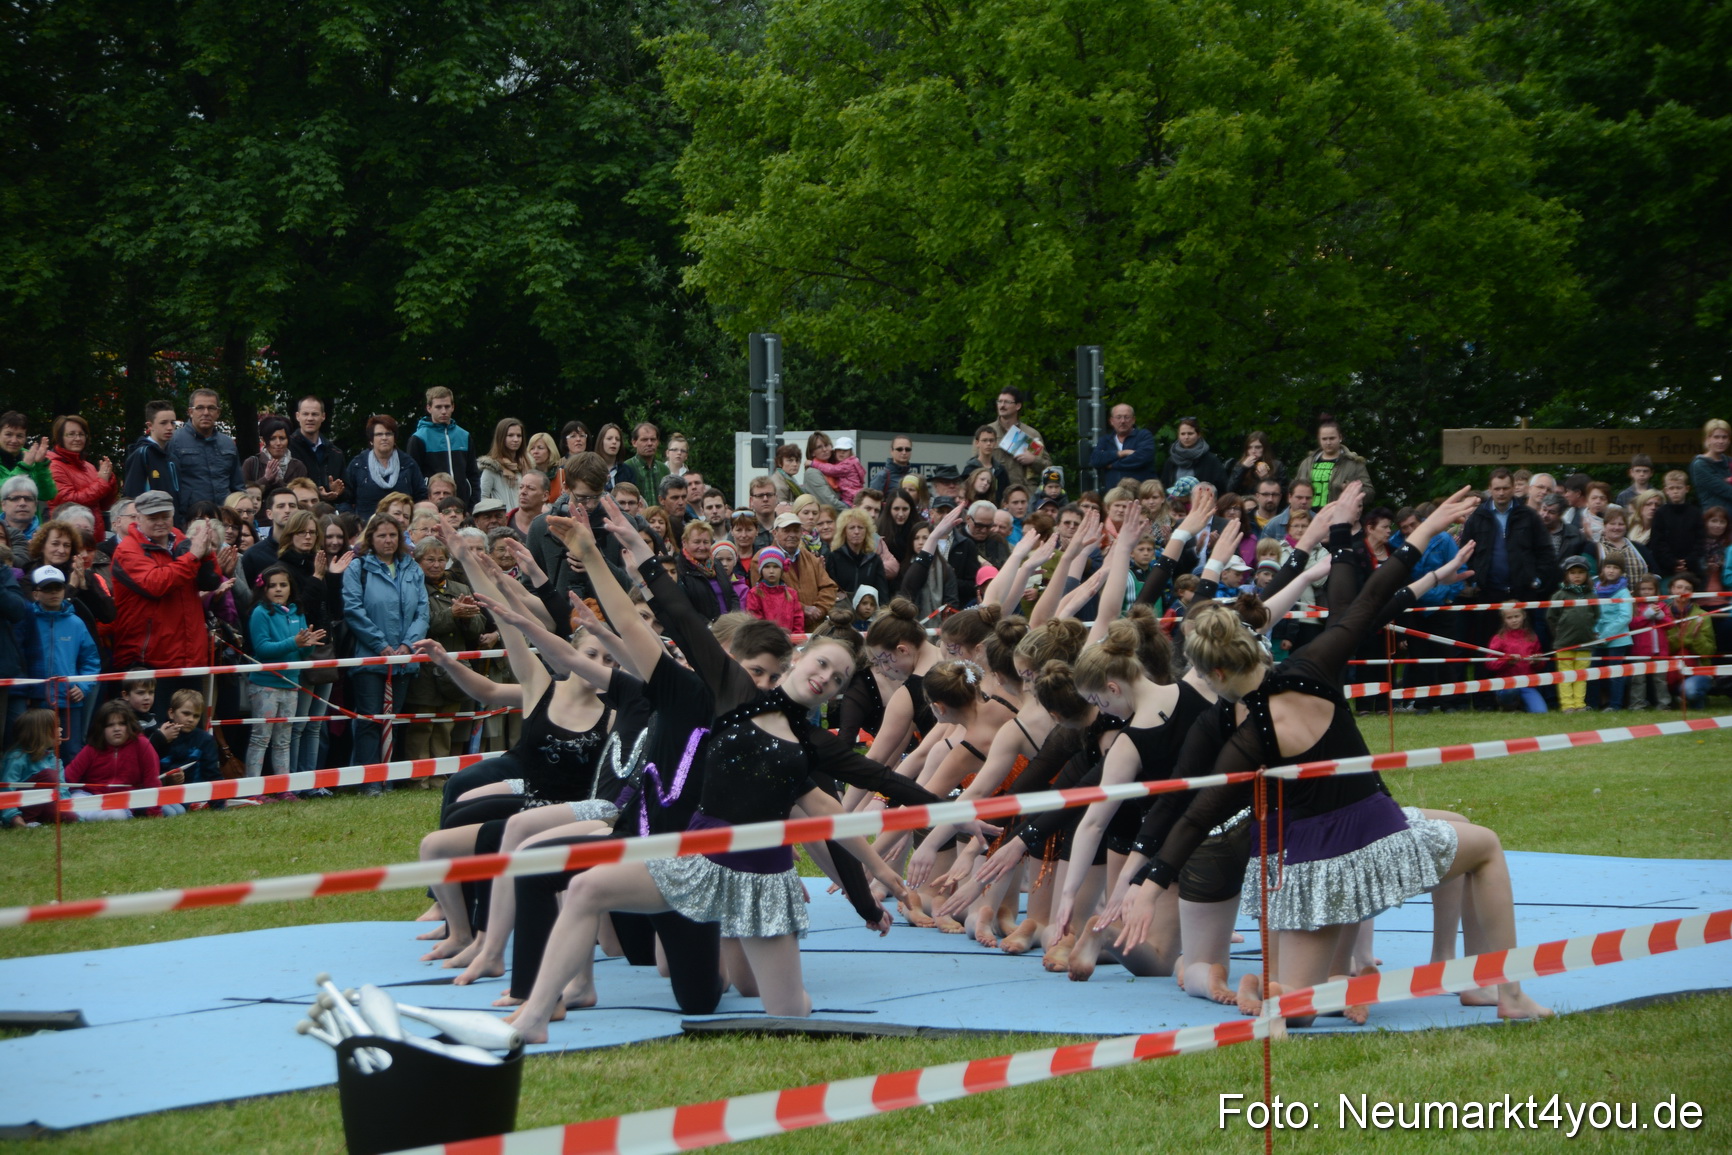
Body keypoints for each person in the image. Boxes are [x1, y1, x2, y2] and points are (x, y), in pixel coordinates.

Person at [1118, 484, 1549, 1023]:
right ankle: (1506, 991)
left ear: (1218, 672)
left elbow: (1198, 811)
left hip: (1305, 872)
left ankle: (1276, 989)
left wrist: (1149, 883)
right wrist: (1424, 526)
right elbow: (1367, 600)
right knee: (1484, 846)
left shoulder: (1246, 738)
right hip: (1373, 841)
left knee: (1298, 1009)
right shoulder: (1314, 666)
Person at [109, 491, 224, 716]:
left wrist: (207, 552)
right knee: (158, 734)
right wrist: (193, 555)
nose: (160, 522)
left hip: (190, 657)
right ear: (138, 519)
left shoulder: (181, 539)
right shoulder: (127, 551)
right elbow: (156, 584)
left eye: (165, 516)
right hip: (151, 661)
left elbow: (210, 581)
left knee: (190, 734)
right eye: (153, 518)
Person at [343, 512, 430, 787]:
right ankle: (369, 781)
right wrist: (381, 645)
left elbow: (422, 612)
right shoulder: (359, 569)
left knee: (392, 719)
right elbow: (353, 610)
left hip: (405, 658)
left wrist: (407, 645)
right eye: (381, 535)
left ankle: (389, 779)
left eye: (393, 535)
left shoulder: (413, 569)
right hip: (370, 659)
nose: (388, 540)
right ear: (370, 538)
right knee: (370, 719)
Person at [403, 537, 482, 758]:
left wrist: (467, 618)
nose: (436, 564)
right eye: (430, 559)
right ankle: (419, 778)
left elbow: (478, 627)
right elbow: (419, 624)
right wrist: (452, 614)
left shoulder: (460, 588)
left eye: (441, 559)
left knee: (446, 725)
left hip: (454, 667)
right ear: (417, 561)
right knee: (422, 725)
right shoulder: (411, 587)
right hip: (424, 670)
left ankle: (439, 775)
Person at [245, 564, 323, 786]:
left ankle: (283, 788)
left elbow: (300, 651)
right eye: (272, 586)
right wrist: (294, 642)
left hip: (291, 684)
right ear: (264, 589)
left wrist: (308, 645)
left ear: (291, 587)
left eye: (283, 584)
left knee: (283, 740)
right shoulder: (261, 612)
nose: (278, 589)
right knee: (260, 738)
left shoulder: (298, 612)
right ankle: (252, 789)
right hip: (265, 685)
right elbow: (262, 649)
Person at [15, 565, 100, 760]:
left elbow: (91, 660)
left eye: (58, 588)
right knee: (36, 751)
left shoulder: (76, 623)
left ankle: (67, 790)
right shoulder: (27, 621)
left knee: (71, 752)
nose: (54, 593)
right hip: (37, 701)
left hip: (69, 702)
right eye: (47, 588)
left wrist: (82, 686)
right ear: (36, 594)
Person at [62, 699, 164, 819]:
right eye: (110, 725)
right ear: (102, 729)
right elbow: (68, 778)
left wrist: (155, 813)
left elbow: (152, 781)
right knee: (74, 804)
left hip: (121, 802)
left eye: (122, 723)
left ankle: (83, 817)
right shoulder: (92, 748)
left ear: (130, 725)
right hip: (89, 796)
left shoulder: (142, 744)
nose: (117, 729)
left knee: (115, 815)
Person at [168, 389, 245, 520]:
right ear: (190, 412)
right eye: (200, 408)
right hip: (190, 519)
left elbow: (237, 485)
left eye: (211, 408)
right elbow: (169, 487)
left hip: (224, 518)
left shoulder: (228, 444)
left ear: (218, 413)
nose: (206, 413)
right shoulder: (174, 442)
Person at [764, 511, 839, 629]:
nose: (792, 534)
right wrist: (803, 609)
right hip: (781, 631)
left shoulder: (811, 558)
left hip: (814, 630)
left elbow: (829, 587)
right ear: (775, 533)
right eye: (786, 531)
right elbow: (767, 595)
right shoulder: (763, 559)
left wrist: (819, 609)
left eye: (796, 530)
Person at [408, 386, 480, 508]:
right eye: (438, 407)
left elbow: (473, 474)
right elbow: (413, 478)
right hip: (432, 506)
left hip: (463, 505)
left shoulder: (464, 436)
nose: (443, 411)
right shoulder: (418, 438)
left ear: (453, 407)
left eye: (447, 406)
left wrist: (473, 504)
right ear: (429, 408)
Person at [344, 414, 428, 519]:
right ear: (371, 439)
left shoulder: (408, 464)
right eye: (379, 434)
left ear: (395, 438)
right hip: (366, 528)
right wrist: (354, 524)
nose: (384, 438)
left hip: (403, 528)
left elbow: (421, 496)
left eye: (388, 434)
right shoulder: (358, 465)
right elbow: (345, 500)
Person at [44, 414, 117, 526]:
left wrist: (109, 479)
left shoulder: (89, 467)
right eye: (71, 434)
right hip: (68, 532)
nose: (77, 439)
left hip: (93, 534)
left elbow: (104, 505)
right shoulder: (53, 465)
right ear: (60, 438)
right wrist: (102, 482)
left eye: (81, 434)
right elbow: (69, 502)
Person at [1547, 555, 1597, 714]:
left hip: (1586, 642)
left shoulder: (1591, 595)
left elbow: (1596, 614)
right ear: (1566, 575)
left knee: (1581, 675)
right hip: (1564, 643)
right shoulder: (1560, 595)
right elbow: (1551, 617)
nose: (1577, 576)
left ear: (1587, 575)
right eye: (1573, 572)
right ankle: (1568, 705)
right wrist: (1559, 633)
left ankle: (1580, 704)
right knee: (1566, 675)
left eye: (1581, 572)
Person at [1291, 415, 1374, 506]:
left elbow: (1369, 493)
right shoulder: (1307, 463)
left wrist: (1351, 490)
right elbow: (1294, 490)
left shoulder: (1354, 463)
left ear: (1340, 438)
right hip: (1308, 517)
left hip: (1338, 515)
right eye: (1324, 439)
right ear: (1319, 440)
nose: (1328, 443)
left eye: (1332, 438)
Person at [2, 708, 63, 827]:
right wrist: (13, 817)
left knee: (69, 816)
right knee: (49, 776)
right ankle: (25, 821)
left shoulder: (55, 760)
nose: (60, 730)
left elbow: (63, 789)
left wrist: (69, 810)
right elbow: (6, 790)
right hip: (21, 808)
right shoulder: (16, 758)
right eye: (55, 727)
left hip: (45, 804)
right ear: (40, 733)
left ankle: (38, 820)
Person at [286, 395, 348, 507]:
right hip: (297, 514)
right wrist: (316, 494)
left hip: (328, 514)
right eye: (305, 414)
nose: (310, 418)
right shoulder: (287, 448)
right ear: (297, 416)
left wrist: (337, 492)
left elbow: (348, 493)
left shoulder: (335, 453)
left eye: (314, 414)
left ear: (323, 416)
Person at [1590, 557, 1633, 710]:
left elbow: (1625, 616)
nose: (1611, 570)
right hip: (1596, 637)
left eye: (1615, 567)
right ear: (1602, 569)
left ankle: (1615, 704)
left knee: (1615, 673)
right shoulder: (1595, 588)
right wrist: (1595, 632)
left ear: (1621, 571)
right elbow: (1591, 611)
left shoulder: (1623, 592)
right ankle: (1593, 703)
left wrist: (1606, 635)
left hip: (1617, 639)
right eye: (1608, 567)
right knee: (1593, 672)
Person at [1487, 605, 1546, 713]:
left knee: (1541, 712)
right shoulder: (1498, 638)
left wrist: (1537, 661)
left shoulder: (1532, 636)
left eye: (1516, 616)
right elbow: (1490, 663)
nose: (1514, 620)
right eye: (1509, 618)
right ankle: (1508, 708)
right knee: (1510, 691)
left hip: (1527, 684)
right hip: (1506, 683)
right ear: (1503, 620)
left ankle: (1521, 706)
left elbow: (1541, 663)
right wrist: (1507, 662)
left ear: (1523, 616)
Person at [1627, 574, 1673, 710]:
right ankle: (1637, 704)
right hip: (1639, 651)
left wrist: (1661, 617)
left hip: (1661, 650)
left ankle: (1664, 704)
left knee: (1660, 680)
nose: (1646, 592)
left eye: (1650, 589)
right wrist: (1645, 616)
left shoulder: (1662, 605)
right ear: (1638, 590)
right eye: (1643, 589)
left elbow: (1671, 624)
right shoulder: (1635, 606)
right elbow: (1632, 625)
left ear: (1656, 590)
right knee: (1638, 679)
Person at [676, 520, 739, 621]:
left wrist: (734, 618)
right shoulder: (679, 569)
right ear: (684, 542)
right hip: (702, 632)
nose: (702, 547)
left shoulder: (716, 564)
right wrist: (710, 627)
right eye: (696, 542)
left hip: (728, 628)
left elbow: (732, 595)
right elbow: (685, 608)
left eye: (706, 542)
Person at [122, 400, 181, 506]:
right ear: (150, 426)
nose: (170, 427)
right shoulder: (142, 454)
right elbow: (132, 494)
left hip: (172, 519)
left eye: (172, 422)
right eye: (163, 423)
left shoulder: (172, 457)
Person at [991, 387, 1050, 489]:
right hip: (996, 493)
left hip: (1024, 495)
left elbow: (1048, 467)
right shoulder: (987, 433)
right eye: (999, 401)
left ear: (1018, 406)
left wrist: (1033, 460)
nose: (1002, 405)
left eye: (1007, 402)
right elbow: (976, 465)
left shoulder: (1032, 434)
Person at [1091, 404, 1159, 490]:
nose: (1122, 421)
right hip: (1114, 496)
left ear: (1133, 420)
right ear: (1111, 421)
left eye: (1127, 417)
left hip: (1141, 494)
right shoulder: (1105, 440)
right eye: (1118, 417)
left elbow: (1142, 458)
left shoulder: (1143, 436)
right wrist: (1122, 453)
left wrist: (1112, 465)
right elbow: (1096, 460)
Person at [1651, 471, 1703, 577]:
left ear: (1687, 489)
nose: (1675, 491)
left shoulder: (1696, 513)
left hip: (1692, 569)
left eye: (1679, 488)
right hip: (1667, 569)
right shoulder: (1660, 513)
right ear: (1666, 490)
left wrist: (1688, 561)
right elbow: (1657, 542)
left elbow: (1700, 540)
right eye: (1671, 488)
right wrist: (1672, 562)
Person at [1158, 416, 1229, 493]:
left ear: (1198, 435)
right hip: (1175, 503)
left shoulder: (1210, 460)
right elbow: (1164, 487)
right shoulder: (1171, 461)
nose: (1186, 437)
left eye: (1190, 433)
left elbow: (1222, 487)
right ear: (1178, 436)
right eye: (1183, 434)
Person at [826, 508, 884, 599]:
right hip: (842, 610)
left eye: (860, 527)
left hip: (869, 610)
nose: (856, 532)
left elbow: (882, 594)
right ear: (844, 531)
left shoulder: (875, 560)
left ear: (866, 531)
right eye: (852, 528)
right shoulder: (834, 558)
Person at [0, 412, 56, 504]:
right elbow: (3, 492)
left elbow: (47, 495)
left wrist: (40, 465)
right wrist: (23, 468)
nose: (14, 440)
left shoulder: (31, 459)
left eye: (19, 436)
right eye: (8, 434)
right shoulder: (27, 464)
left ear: (25, 437)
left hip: (29, 517)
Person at [240, 415, 308, 490]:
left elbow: (301, 495)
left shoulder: (298, 466)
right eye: (272, 438)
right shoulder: (251, 464)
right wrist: (266, 479)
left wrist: (277, 481)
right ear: (263, 440)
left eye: (282, 438)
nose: (278, 443)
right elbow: (243, 494)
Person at [476, 417, 530, 509]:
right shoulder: (492, 468)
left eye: (519, 435)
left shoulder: (526, 466)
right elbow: (482, 498)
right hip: (502, 520)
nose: (516, 439)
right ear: (501, 437)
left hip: (525, 519)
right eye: (510, 435)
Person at [745, 546, 803, 631]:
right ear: (761, 570)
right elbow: (755, 622)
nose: (771, 571)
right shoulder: (755, 594)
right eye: (767, 567)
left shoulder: (791, 594)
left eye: (776, 567)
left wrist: (796, 639)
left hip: (790, 642)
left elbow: (798, 620)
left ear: (782, 569)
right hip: (765, 641)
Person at [1689, 418, 1732, 515]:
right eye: (1716, 437)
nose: (1721, 441)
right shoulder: (1700, 464)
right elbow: (1725, 490)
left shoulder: (1729, 461)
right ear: (1707, 439)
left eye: (1724, 437)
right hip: (1715, 521)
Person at [810, 436, 866, 506]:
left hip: (850, 497)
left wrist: (813, 463)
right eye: (839, 450)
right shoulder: (851, 462)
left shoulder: (847, 465)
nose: (841, 453)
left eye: (845, 450)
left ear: (851, 452)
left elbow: (831, 470)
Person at [1226, 430, 1285, 494]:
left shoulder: (1276, 465)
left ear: (1264, 448)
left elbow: (1283, 492)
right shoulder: (1240, 465)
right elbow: (1230, 490)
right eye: (1249, 447)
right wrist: (1243, 468)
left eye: (1258, 447)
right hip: (1245, 501)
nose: (1253, 451)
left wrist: (1266, 479)